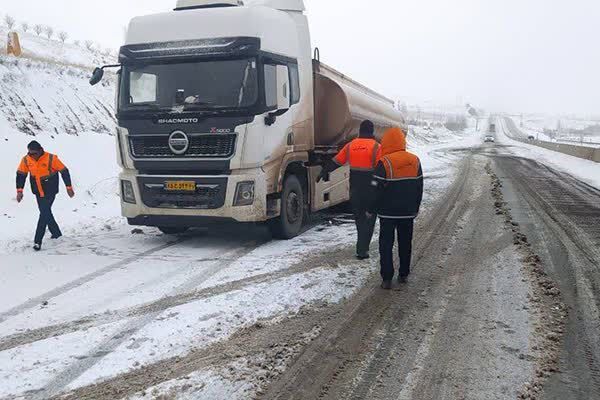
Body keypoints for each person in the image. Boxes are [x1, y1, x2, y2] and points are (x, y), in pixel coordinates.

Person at [318, 120, 381, 259]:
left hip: (355, 189)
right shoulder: (377, 147)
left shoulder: (351, 145)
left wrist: (324, 172)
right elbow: (381, 169)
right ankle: (363, 249)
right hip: (371, 189)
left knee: (359, 219)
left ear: (360, 131)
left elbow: (336, 161)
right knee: (369, 219)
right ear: (372, 132)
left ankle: (361, 248)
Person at [369, 127, 423, 290]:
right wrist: (415, 207)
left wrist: (371, 208)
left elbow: (375, 188)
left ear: (386, 143)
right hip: (407, 213)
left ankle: (387, 278)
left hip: (387, 214)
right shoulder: (415, 160)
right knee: (405, 243)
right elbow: (419, 186)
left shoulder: (384, 162)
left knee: (386, 245)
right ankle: (404, 274)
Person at [16, 141, 75, 251]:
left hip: (50, 190)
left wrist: (69, 188)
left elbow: (64, 171)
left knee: (44, 213)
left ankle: (37, 241)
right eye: (30, 153)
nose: (31, 155)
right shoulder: (26, 159)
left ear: (40, 150)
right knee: (46, 212)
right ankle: (57, 234)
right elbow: (21, 174)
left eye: (34, 153)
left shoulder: (51, 158)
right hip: (38, 191)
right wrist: (19, 191)